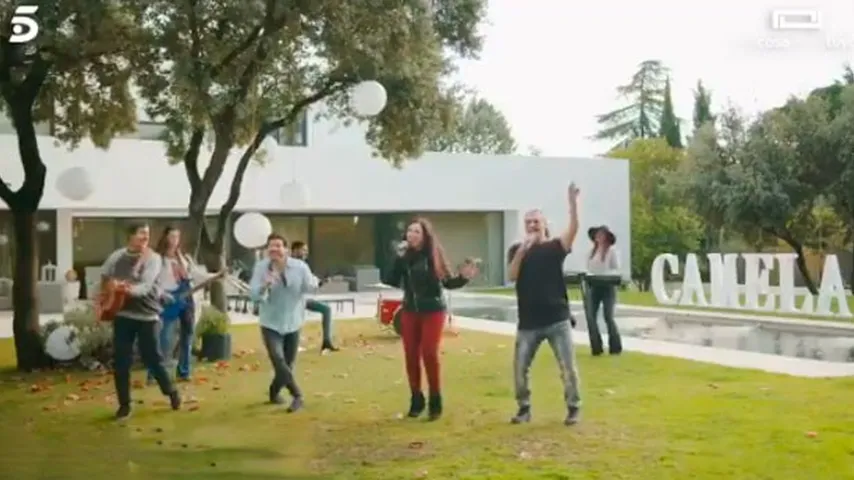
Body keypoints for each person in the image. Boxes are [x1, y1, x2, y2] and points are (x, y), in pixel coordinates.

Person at [383, 217, 479, 421]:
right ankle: (416, 398)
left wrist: (464, 278)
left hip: (433, 310)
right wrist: (398, 258)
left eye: (416, 232)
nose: (411, 235)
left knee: (428, 352)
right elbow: (391, 280)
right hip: (410, 310)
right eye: (409, 231)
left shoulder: (433, 256)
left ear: (425, 236)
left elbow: (448, 282)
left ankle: (436, 399)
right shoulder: (405, 256)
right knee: (410, 355)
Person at [506, 183, 582, 426]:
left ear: (544, 224)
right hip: (528, 322)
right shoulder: (517, 250)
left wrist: (572, 203)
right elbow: (512, 276)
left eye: (536, 222)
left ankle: (573, 408)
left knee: (567, 367)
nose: (531, 226)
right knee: (520, 369)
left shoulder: (555, 247)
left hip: (556, 319)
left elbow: (573, 229)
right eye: (528, 222)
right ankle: (524, 408)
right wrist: (522, 252)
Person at [100, 222, 181, 420]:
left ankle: (171, 391)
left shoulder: (153, 259)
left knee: (152, 358)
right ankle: (124, 405)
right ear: (130, 236)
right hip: (123, 316)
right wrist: (104, 299)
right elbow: (104, 277)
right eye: (141, 234)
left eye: (147, 234)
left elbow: (145, 286)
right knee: (121, 361)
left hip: (148, 316)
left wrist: (124, 289)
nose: (146, 237)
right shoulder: (117, 257)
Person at [249, 233, 318, 412]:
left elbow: (310, 287)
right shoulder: (261, 268)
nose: (275, 249)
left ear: (285, 250)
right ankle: (297, 395)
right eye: (271, 246)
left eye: (278, 246)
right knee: (278, 360)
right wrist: (265, 285)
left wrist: (312, 282)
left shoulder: (300, 267)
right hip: (270, 322)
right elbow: (254, 295)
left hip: (293, 321)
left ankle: (273, 392)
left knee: (288, 363)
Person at [146, 225, 210, 383]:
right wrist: (162, 294)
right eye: (172, 236)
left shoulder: (184, 258)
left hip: (187, 300)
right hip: (168, 300)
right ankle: (154, 373)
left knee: (187, 336)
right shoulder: (158, 259)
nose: (175, 240)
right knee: (164, 338)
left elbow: (195, 274)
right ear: (165, 238)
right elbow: (152, 281)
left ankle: (184, 371)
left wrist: (216, 275)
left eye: (177, 237)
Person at [290, 241, 338, 353]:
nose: (306, 253)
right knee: (296, 315)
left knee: (326, 309)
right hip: (290, 300)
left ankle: (327, 342)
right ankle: (292, 344)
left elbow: (311, 281)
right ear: (295, 251)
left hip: (302, 299)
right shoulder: (289, 265)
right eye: (303, 250)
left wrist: (321, 282)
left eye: (306, 250)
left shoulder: (304, 266)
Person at [585, 225, 622, 356]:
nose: (599, 238)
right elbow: (589, 268)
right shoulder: (591, 252)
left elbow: (616, 269)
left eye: (601, 235)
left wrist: (606, 275)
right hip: (594, 285)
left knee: (608, 316)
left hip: (607, 286)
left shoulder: (611, 251)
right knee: (590, 316)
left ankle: (615, 346)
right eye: (597, 235)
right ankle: (596, 346)